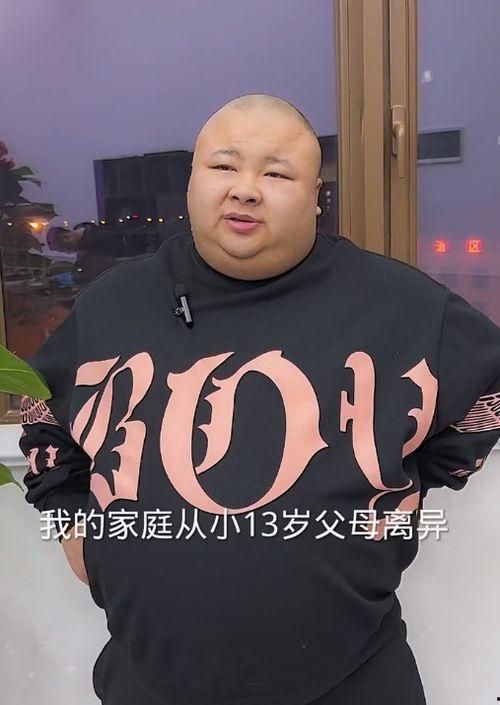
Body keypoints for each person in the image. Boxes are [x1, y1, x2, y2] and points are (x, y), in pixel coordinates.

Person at [18, 94, 500, 705]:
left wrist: (411, 483)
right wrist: (74, 524)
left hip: (352, 681)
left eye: (276, 174)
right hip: (148, 682)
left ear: (316, 195)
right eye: (224, 166)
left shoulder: (403, 305)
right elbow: (43, 416)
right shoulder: (112, 304)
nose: (245, 190)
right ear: (193, 180)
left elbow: (489, 390)